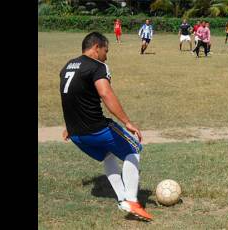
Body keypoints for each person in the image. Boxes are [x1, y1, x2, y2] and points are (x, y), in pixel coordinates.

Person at [59, 32, 152, 221]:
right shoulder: (97, 66)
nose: (106, 56)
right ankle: (132, 200)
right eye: (105, 51)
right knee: (133, 151)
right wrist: (127, 122)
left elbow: (70, 95)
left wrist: (70, 124)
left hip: (76, 134)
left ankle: (122, 200)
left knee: (108, 155)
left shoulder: (68, 65)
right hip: (97, 129)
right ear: (96, 47)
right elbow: (105, 93)